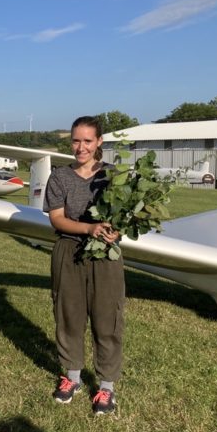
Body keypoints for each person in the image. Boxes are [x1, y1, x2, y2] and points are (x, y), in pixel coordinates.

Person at [42, 116, 125, 415]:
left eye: (87, 141)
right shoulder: (60, 177)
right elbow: (57, 218)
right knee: (69, 315)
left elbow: (124, 216)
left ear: (99, 142)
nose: (81, 147)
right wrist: (88, 229)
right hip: (68, 250)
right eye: (76, 140)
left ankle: (106, 388)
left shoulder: (114, 176)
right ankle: (73, 377)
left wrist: (115, 230)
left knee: (107, 318)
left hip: (105, 255)